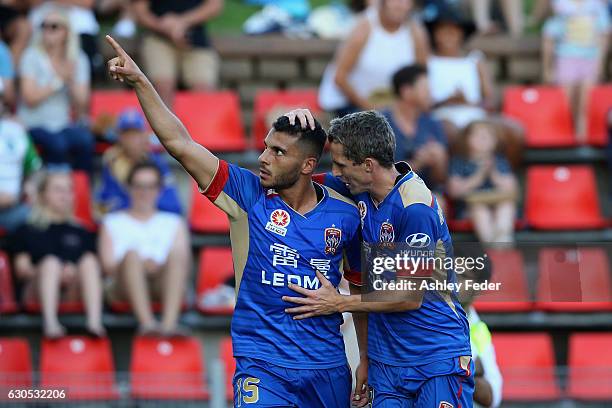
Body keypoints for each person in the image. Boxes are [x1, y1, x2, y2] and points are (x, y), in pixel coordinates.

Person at [105, 35, 365, 407]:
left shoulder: (345, 210)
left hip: (328, 368)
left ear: (308, 165)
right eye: (264, 146)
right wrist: (141, 82)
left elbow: (359, 290)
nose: (263, 157)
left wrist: (365, 361)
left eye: (278, 152)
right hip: (262, 365)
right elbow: (179, 143)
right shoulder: (247, 195)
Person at [284, 108, 474, 408]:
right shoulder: (356, 188)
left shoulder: (415, 208)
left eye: (340, 164)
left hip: (435, 357)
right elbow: (292, 176)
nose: (334, 172)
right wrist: (297, 126)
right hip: (386, 363)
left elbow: (409, 297)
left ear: (368, 165)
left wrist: (338, 303)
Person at [424, 1, 524, 168]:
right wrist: (447, 101)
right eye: (443, 30)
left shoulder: (475, 60)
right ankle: (461, 176)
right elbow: (424, 102)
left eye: (454, 30)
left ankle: (502, 174)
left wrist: (468, 102)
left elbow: (490, 99)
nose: (449, 35)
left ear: (462, 34)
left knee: (515, 130)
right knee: (452, 131)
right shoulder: (429, 61)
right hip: (443, 116)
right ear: (435, 34)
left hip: (476, 114)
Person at [8, 169, 104, 339]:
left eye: (69, 190)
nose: (65, 195)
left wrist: (73, 272)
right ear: (43, 194)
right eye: (58, 189)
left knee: (89, 261)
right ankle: (50, 323)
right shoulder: (26, 230)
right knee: (51, 263)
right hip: (36, 291)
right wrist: (53, 272)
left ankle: (94, 322)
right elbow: (22, 270)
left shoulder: (82, 231)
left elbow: (95, 271)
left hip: (73, 290)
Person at [98, 162, 190, 336]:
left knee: (177, 256)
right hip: (122, 285)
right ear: (128, 188)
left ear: (159, 189)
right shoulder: (111, 221)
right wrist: (140, 264)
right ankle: (147, 324)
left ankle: (168, 326)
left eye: (150, 186)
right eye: (139, 186)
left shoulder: (174, 222)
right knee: (132, 256)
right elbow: (108, 266)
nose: (144, 192)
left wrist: (154, 266)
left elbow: (182, 262)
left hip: (162, 282)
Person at [318, 0, 429, 116]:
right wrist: (371, 108)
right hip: (350, 104)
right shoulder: (363, 27)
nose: (400, 5)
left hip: (394, 109)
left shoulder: (417, 32)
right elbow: (339, 78)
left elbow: (421, 77)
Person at [17, 7, 93, 172]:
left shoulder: (78, 59)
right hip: (33, 123)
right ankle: (56, 187)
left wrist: (71, 81)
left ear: (66, 32)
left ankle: (81, 189)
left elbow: (82, 104)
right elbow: (29, 98)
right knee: (58, 144)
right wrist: (59, 81)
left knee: (86, 141)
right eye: (44, 26)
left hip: (62, 124)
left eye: (54, 26)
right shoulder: (31, 56)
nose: (47, 30)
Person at [542, 0, 610, 141]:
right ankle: (567, 137)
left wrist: (600, 63)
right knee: (566, 103)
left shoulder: (596, 6)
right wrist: (548, 67)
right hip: (566, 58)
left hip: (590, 59)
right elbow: (549, 35)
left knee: (587, 103)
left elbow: (604, 35)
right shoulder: (560, 5)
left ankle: (581, 138)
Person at [133, 0, 223, 106]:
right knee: (162, 86)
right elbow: (139, 12)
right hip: (158, 38)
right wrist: (163, 27)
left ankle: (195, 122)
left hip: (196, 41)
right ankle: (163, 122)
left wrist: (181, 22)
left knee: (203, 89)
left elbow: (215, 6)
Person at [96, 108, 182, 215]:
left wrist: (139, 203)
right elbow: (105, 205)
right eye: (127, 134)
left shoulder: (157, 162)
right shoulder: (112, 163)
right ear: (120, 137)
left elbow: (174, 204)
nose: (132, 139)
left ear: (144, 136)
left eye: (136, 133)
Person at [447, 121, 518, 245]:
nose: (483, 139)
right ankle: (491, 244)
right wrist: (478, 177)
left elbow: (512, 189)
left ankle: (502, 241)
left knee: (506, 206)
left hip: (497, 203)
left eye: (487, 136)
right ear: (467, 139)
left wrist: (494, 174)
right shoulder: (460, 161)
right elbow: (454, 191)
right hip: (468, 208)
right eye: (478, 135)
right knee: (480, 210)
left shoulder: (499, 161)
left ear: (495, 141)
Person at [382, 64, 448, 190]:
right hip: (388, 195)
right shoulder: (380, 125)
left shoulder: (433, 124)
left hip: (426, 194)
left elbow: (440, 179)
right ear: (406, 91)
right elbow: (377, 176)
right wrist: (418, 163)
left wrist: (439, 161)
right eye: (425, 89)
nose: (430, 94)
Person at [453, 243, 503, 407]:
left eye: (463, 276)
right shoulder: (421, 314)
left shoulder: (479, 329)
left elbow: (492, 396)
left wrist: (463, 370)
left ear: (479, 288)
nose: (453, 281)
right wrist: (473, 369)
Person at [0, 90, 41, 233]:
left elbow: (35, 167)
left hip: (15, 209)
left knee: (41, 220)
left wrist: (32, 185)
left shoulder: (16, 130)